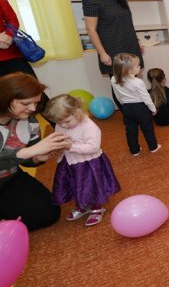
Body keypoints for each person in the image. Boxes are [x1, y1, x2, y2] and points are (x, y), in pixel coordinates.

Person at [0, 73, 71, 231]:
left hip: (8, 178)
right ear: (6, 98)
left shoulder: (29, 120)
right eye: (26, 103)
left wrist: (38, 158)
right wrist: (27, 151)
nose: (32, 109)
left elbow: (26, 160)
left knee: (48, 213)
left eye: (36, 103)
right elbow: (23, 154)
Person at [43, 95, 121, 227]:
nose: (63, 125)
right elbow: (59, 137)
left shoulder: (89, 126)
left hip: (88, 163)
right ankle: (82, 205)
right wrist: (58, 148)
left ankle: (97, 208)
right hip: (69, 161)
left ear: (77, 112)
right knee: (75, 184)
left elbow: (93, 147)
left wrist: (71, 146)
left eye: (67, 121)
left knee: (91, 186)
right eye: (59, 123)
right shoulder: (61, 124)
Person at [82, 0, 143, 107]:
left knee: (134, 82)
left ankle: (139, 112)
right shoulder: (92, 0)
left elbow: (127, 22)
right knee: (121, 86)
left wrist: (137, 41)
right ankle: (128, 115)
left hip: (130, 45)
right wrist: (102, 53)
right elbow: (91, 29)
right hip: (112, 48)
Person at [110, 53, 160, 156]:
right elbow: (146, 98)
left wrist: (123, 105)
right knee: (147, 128)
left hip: (126, 108)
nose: (140, 67)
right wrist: (153, 109)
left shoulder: (114, 79)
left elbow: (117, 95)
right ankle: (153, 147)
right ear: (129, 70)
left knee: (130, 130)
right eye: (137, 66)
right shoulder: (138, 82)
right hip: (141, 108)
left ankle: (134, 150)